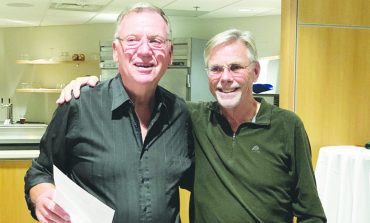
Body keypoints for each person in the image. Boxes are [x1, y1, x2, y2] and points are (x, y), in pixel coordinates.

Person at [58, 28, 327, 222]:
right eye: (216, 69)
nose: (225, 78)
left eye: (235, 68)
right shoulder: (190, 116)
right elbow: (140, 93)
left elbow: (311, 214)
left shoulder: (286, 126)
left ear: (255, 72)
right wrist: (90, 86)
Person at [24, 3, 194, 223]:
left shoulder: (181, 114)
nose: (144, 50)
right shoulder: (80, 105)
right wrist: (42, 196)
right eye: (132, 40)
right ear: (116, 51)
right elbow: (41, 170)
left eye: (155, 41)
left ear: (169, 54)